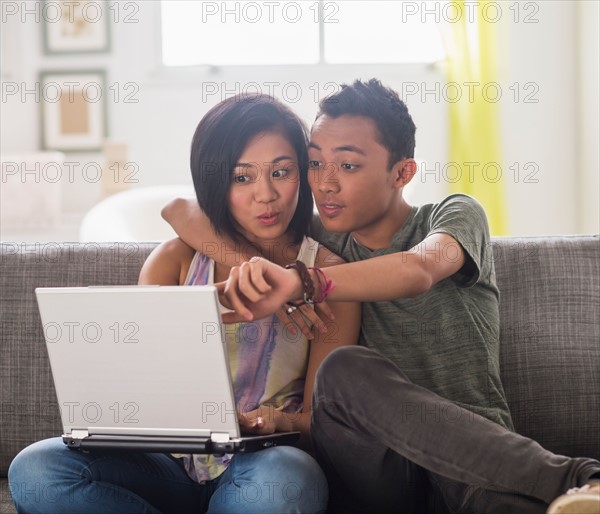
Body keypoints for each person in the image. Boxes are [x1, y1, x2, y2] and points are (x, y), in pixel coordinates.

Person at [161, 79, 600, 514]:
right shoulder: (319, 237)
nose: (325, 185)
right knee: (343, 371)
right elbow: (182, 210)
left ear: (403, 172)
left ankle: (575, 483)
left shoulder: (454, 215)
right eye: (314, 164)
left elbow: (418, 270)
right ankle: (580, 478)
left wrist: (303, 284)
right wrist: (253, 270)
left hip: (476, 465)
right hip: (378, 476)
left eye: (347, 166)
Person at [7, 94, 360, 514]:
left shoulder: (328, 275)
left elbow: (320, 425)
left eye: (281, 172)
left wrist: (280, 421)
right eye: (241, 177)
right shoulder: (174, 259)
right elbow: (138, 386)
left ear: (301, 174)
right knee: (36, 470)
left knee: (285, 480)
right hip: (163, 468)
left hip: (259, 464)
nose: (266, 195)